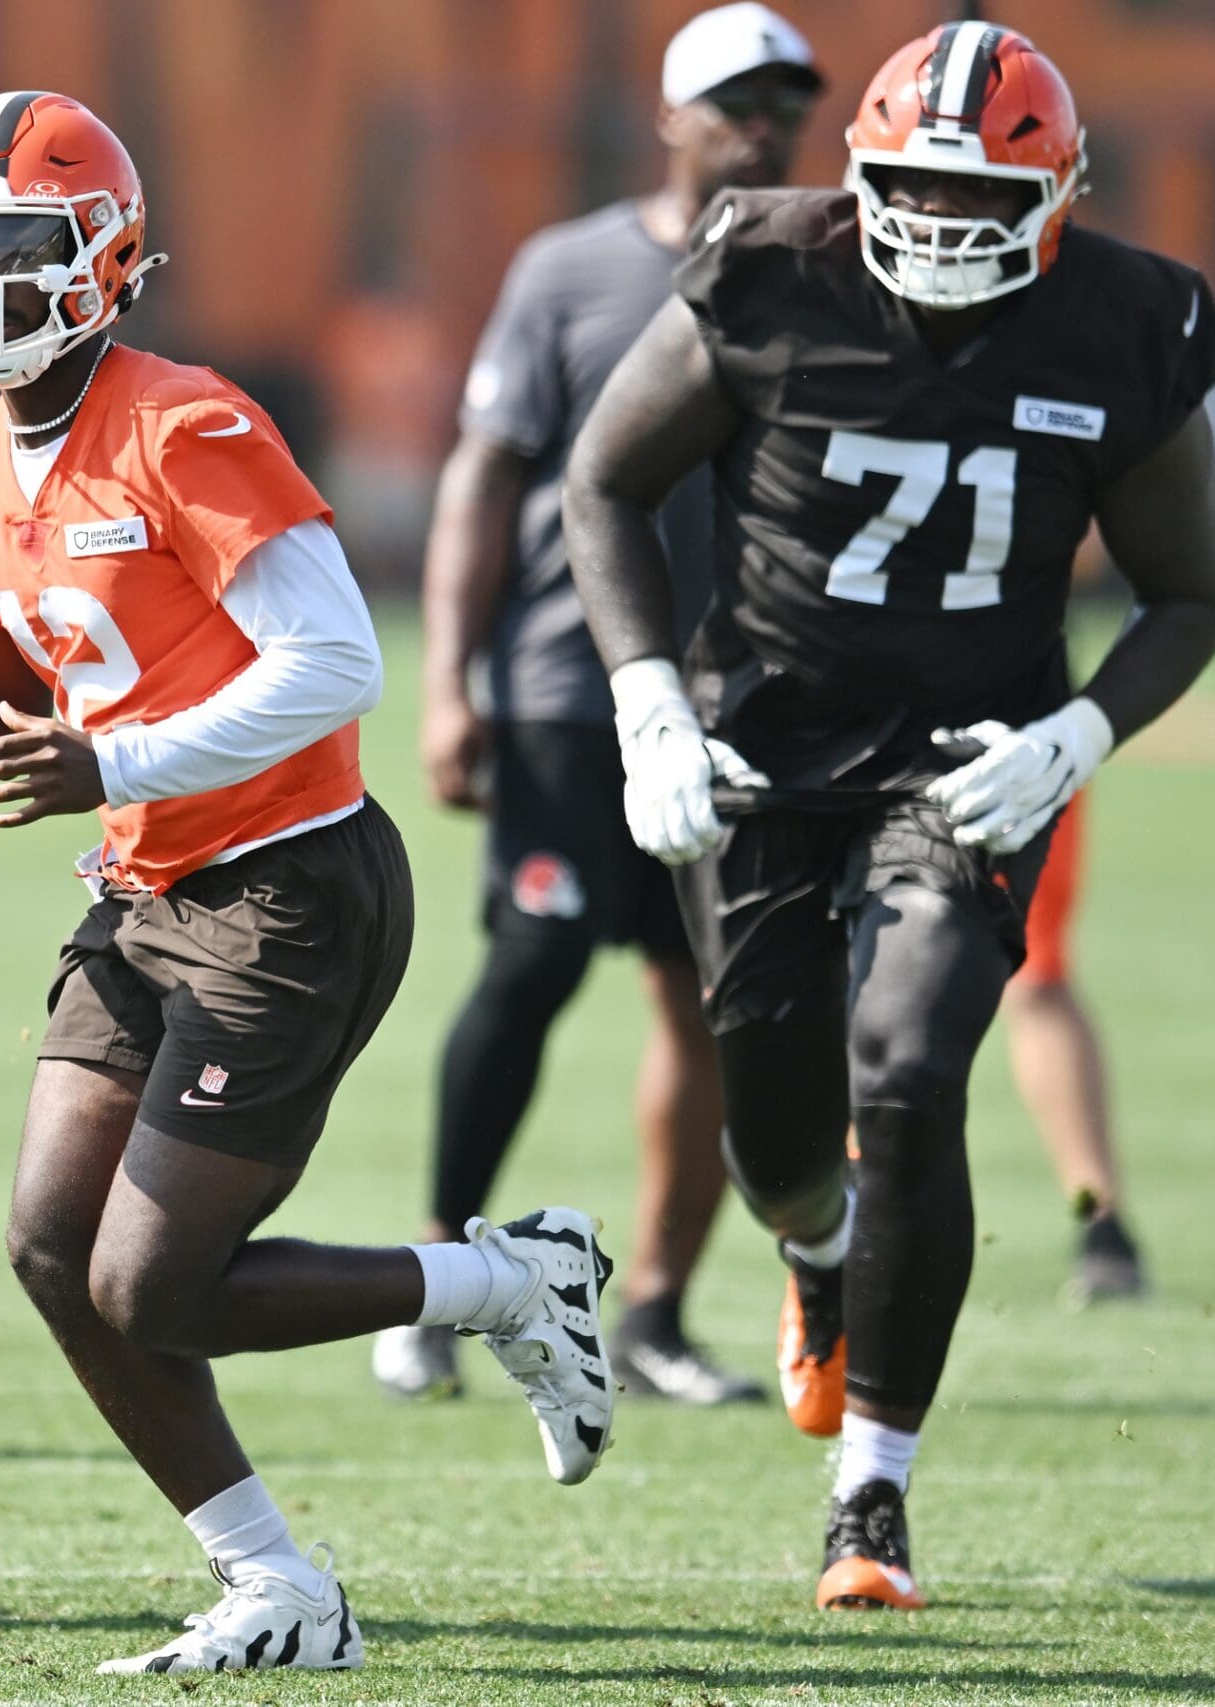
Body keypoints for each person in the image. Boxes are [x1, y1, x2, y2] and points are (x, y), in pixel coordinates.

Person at [0, 93, 613, 1674]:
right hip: (147, 889)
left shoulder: (185, 423)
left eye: (24, 251)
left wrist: (117, 764)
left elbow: (337, 657)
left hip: (291, 884)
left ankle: (505, 1280)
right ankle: (275, 1578)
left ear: (108, 257)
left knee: (154, 1280)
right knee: (47, 1245)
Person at [561, 25, 1215, 1610]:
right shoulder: (768, 268)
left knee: (914, 1070)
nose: (935, 213)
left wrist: (1079, 732)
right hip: (763, 756)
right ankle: (814, 1252)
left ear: (1058, 192)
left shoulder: (1126, 321)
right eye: (913, 178)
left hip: (969, 761)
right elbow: (601, 481)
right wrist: (649, 699)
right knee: (783, 1143)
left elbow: (1190, 590)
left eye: (973, 184)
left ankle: (872, 1491)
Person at [378, 1, 824, 1408]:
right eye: (735, 102)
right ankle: (432, 1280)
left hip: (750, 701)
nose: (762, 126)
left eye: (783, 105)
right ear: (671, 115)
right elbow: (483, 479)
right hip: (575, 694)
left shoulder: (828, 275)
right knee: (529, 965)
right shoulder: (569, 270)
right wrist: (452, 680)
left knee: (711, 1004)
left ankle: (659, 1310)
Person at [1003, 794, 1146, 1304]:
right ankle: (847, 1213)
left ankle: (1099, 1219)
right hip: (862, 744)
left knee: (1037, 975)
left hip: (1018, 744)